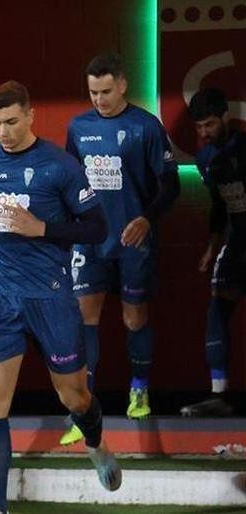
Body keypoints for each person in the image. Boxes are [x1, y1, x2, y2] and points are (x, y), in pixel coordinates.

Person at [0, 81, 120, 514]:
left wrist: (42, 229)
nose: (2, 132)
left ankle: (96, 443)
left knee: (74, 397)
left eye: (10, 122)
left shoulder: (60, 167)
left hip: (50, 297)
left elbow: (97, 227)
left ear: (30, 116)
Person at [61, 53, 179, 443]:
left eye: (106, 91)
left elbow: (171, 184)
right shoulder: (78, 127)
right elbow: (70, 184)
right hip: (90, 240)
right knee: (84, 318)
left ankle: (139, 388)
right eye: (93, 92)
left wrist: (146, 218)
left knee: (133, 318)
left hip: (133, 241)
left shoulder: (146, 127)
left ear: (123, 85)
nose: (100, 99)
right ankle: (83, 408)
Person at [182, 88, 244, 417]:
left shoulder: (244, 149)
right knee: (217, 309)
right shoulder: (206, 159)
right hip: (237, 243)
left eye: (209, 124)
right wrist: (212, 245)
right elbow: (220, 205)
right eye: (199, 127)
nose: (204, 132)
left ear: (225, 118)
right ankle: (218, 395)